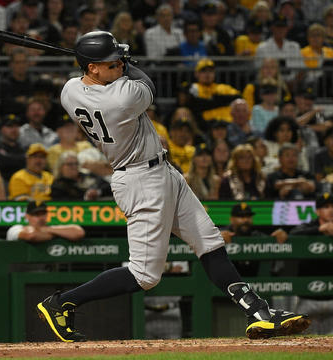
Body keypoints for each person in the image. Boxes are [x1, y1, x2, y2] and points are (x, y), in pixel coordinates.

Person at [35, 31, 310, 343]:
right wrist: (128, 63)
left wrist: (111, 61)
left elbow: (91, 78)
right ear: (93, 68)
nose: (120, 66)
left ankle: (258, 312)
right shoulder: (121, 98)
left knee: (210, 243)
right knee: (144, 276)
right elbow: (147, 83)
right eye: (113, 63)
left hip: (161, 171)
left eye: (119, 62)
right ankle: (62, 303)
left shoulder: (70, 90)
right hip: (141, 181)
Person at [289, 192, 333, 335]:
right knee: (298, 341)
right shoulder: (308, 227)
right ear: (318, 211)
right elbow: (293, 235)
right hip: (308, 299)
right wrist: (319, 230)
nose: (331, 210)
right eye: (326, 207)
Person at [220, 202, 288, 276]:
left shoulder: (257, 236)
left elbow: (272, 240)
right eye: (241, 217)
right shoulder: (223, 235)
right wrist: (217, 238)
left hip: (256, 282)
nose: (245, 220)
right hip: (228, 283)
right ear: (231, 219)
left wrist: (279, 235)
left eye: (248, 216)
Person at [187, 58, 240, 130]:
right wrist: (221, 100)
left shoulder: (224, 87)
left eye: (210, 71)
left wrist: (213, 101)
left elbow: (238, 97)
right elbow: (196, 105)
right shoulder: (194, 88)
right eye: (203, 71)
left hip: (229, 123)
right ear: (196, 74)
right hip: (207, 125)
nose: (207, 74)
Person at [6, 200, 84, 243]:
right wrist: (55, 234)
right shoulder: (16, 228)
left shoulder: (51, 229)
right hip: (20, 272)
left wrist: (46, 229)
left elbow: (79, 232)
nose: (41, 218)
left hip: (46, 271)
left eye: (43, 214)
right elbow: (31, 236)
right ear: (27, 216)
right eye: (36, 215)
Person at [0, 115, 26, 182]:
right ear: (1, 129)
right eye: (10, 126)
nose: (14, 130)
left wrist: (7, 157)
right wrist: (21, 159)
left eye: (16, 126)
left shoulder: (24, 148)